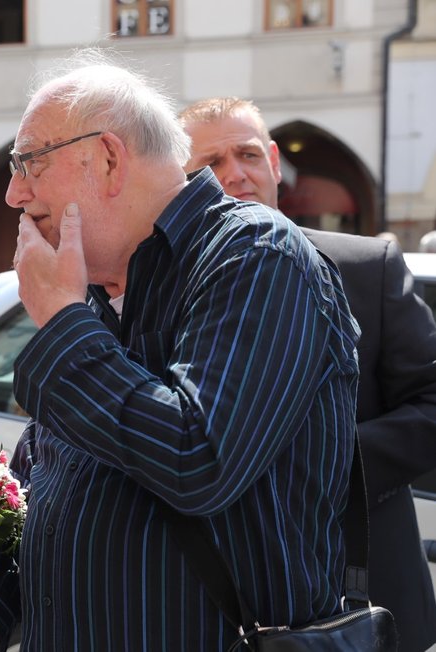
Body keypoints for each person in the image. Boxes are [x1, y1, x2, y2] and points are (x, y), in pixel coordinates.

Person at [0, 52, 360, 651]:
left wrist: (64, 321)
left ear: (107, 157)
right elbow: (41, 490)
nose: (14, 194)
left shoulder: (257, 255)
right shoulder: (101, 292)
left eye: (29, 163)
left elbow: (198, 458)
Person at [179, 95, 436, 652]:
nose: (235, 174)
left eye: (246, 154)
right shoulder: (164, 292)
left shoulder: (367, 269)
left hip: (366, 598)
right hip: (223, 612)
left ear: (274, 161)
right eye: (209, 164)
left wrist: (325, 461)